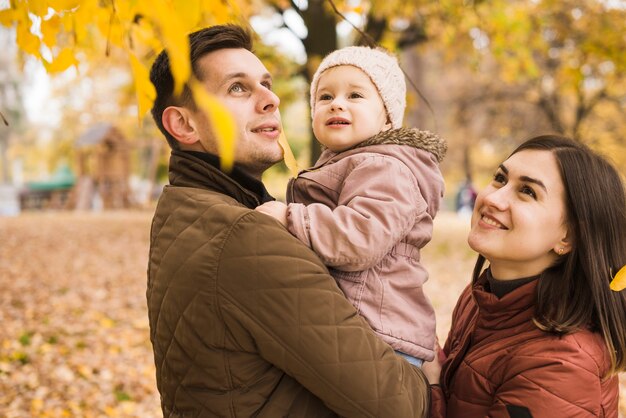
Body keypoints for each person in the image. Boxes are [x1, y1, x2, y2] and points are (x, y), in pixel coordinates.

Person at [146, 24, 431, 417]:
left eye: (267, 83)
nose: (271, 99)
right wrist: (431, 375)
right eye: (238, 88)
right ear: (183, 124)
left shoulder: (186, 210)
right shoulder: (246, 236)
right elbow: (399, 405)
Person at [256, 46, 447, 367]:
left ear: (387, 117)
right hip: (360, 326)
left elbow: (360, 238)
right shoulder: (350, 163)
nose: (337, 104)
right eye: (325, 97)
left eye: (355, 95)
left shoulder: (386, 167)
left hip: (380, 334)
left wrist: (290, 218)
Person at [424, 135, 626, 417]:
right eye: (499, 178)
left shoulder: (561, 367)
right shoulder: (482, 297)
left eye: (528, 192)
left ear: (568, 236)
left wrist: (430, 384)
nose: (493, 198)